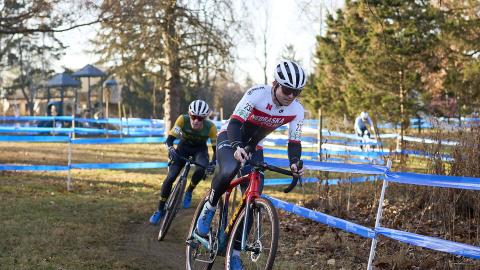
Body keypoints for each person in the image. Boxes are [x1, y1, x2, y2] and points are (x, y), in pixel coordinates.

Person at [195, 60, 306, 269]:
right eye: (287, 89)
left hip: (254, 146)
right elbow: (236, 123)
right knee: (229, 169)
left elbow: (294, 142)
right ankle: (209, 206)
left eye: (296, 92)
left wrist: (294, 163)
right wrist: (237, 146)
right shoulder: (256, 94)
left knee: (254, 196)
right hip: (230, 136)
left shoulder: (297, 110)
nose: (291, 95)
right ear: (275, 84)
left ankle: (234, 253)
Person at [149, 100, 217, 224]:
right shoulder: (182, 120)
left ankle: (189, 190)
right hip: (183, 148)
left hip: (200, 150)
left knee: (202, 168)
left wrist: (213, 163)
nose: (196, 120)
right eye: (193, 117)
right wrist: (170, 149)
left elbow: (215, 150)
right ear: (189, 114)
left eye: (200, 118)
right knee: (170, 177)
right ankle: (159, 209)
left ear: (205, 118)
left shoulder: (211, 127)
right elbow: (169, 140)